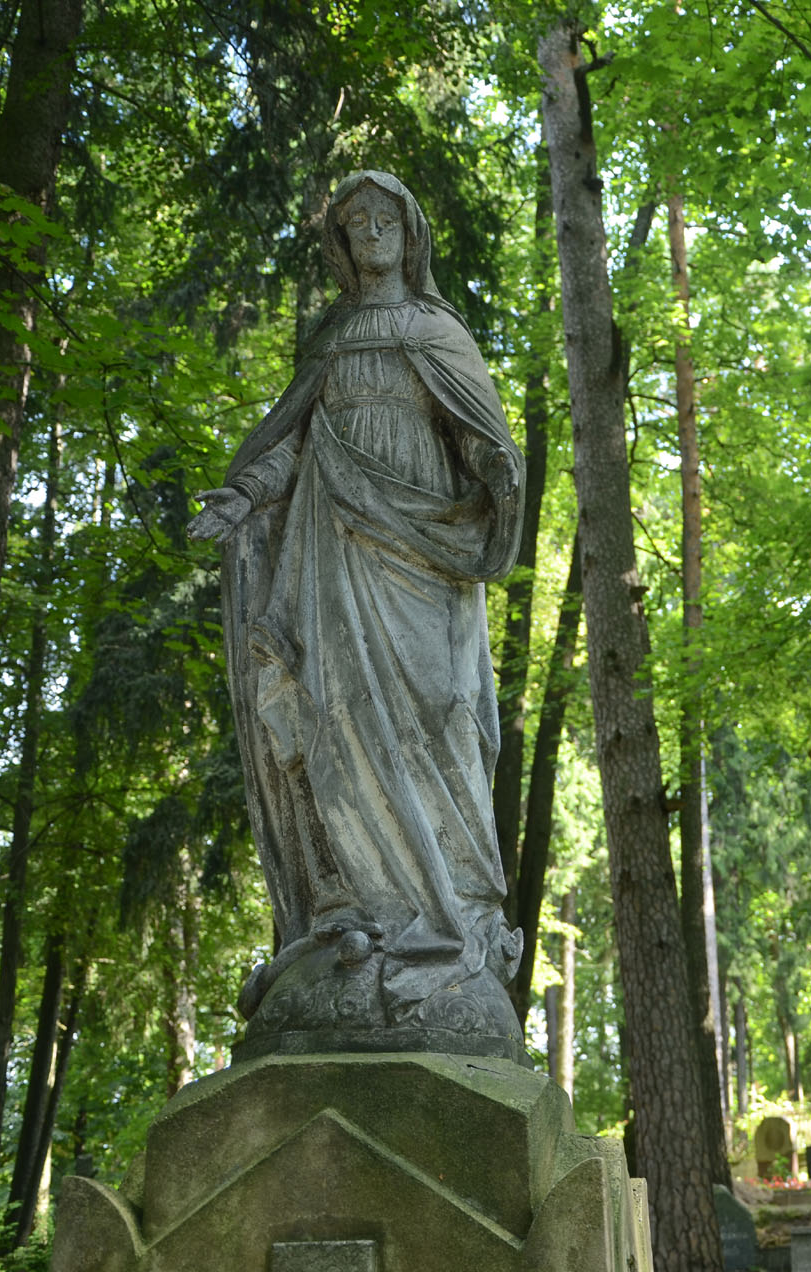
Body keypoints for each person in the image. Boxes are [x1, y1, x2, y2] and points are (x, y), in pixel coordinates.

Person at [189, 171, 525, 1056]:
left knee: (440, 722)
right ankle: (354, 907)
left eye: (386, 218)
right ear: (342, 243)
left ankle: (450, 913)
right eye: (356, 222)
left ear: (410, 235)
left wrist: (498, 477)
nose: (372, 231)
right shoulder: (333, 340)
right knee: (339, 721)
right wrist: (242, 497)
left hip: (428, 557)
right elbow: (291, 444)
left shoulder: (439, 332)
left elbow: (486, 446)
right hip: (334, 556)